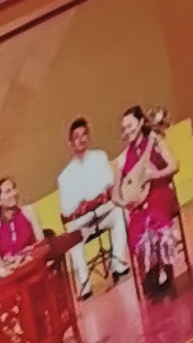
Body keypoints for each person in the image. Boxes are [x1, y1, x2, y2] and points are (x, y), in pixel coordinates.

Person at [116, 106, 185, 292]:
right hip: (138, 204)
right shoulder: (123, 158)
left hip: (159, 192)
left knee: (154, 220)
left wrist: (155, 175)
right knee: (137, 228)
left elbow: (174, 165)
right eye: (124, 128)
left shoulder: (155, 141)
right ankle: (150, 273)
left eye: (130, 125)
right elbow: (116, 194)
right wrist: (124, 202)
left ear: (140, 123)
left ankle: (164, 267)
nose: (128, 131)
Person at [56, 116, 126, 295]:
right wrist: (84, 207)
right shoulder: (64, 177)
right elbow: (67, 210)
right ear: (70, 143)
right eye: (76, 137)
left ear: (89, 137)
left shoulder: (100, 157)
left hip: (103, 213)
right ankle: (84, 284)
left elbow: (109, 187)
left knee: (119, 212)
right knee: (71, 236)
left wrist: (92, 202)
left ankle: (117, 262)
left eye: (84, 135)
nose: (81, 140)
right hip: (82, 224)